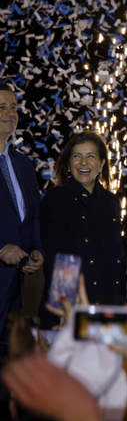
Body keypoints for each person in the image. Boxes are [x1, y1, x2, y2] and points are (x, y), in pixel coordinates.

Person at [39, 131, 126, 328]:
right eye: (77, 156)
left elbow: (116, 257)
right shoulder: (55, 199)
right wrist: (63, 308)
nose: (83, 163)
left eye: (91, 156)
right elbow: (56, 257)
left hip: (107, 306)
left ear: (102, 163)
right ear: (68, 163)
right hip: (70, 306)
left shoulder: (111, 202)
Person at [0, 83, 44, 357]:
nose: (9, 113)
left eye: (13, 107)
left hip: (16, 293)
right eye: (1, 107)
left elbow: (32, 216)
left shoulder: (23, 164)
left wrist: (37, 249)